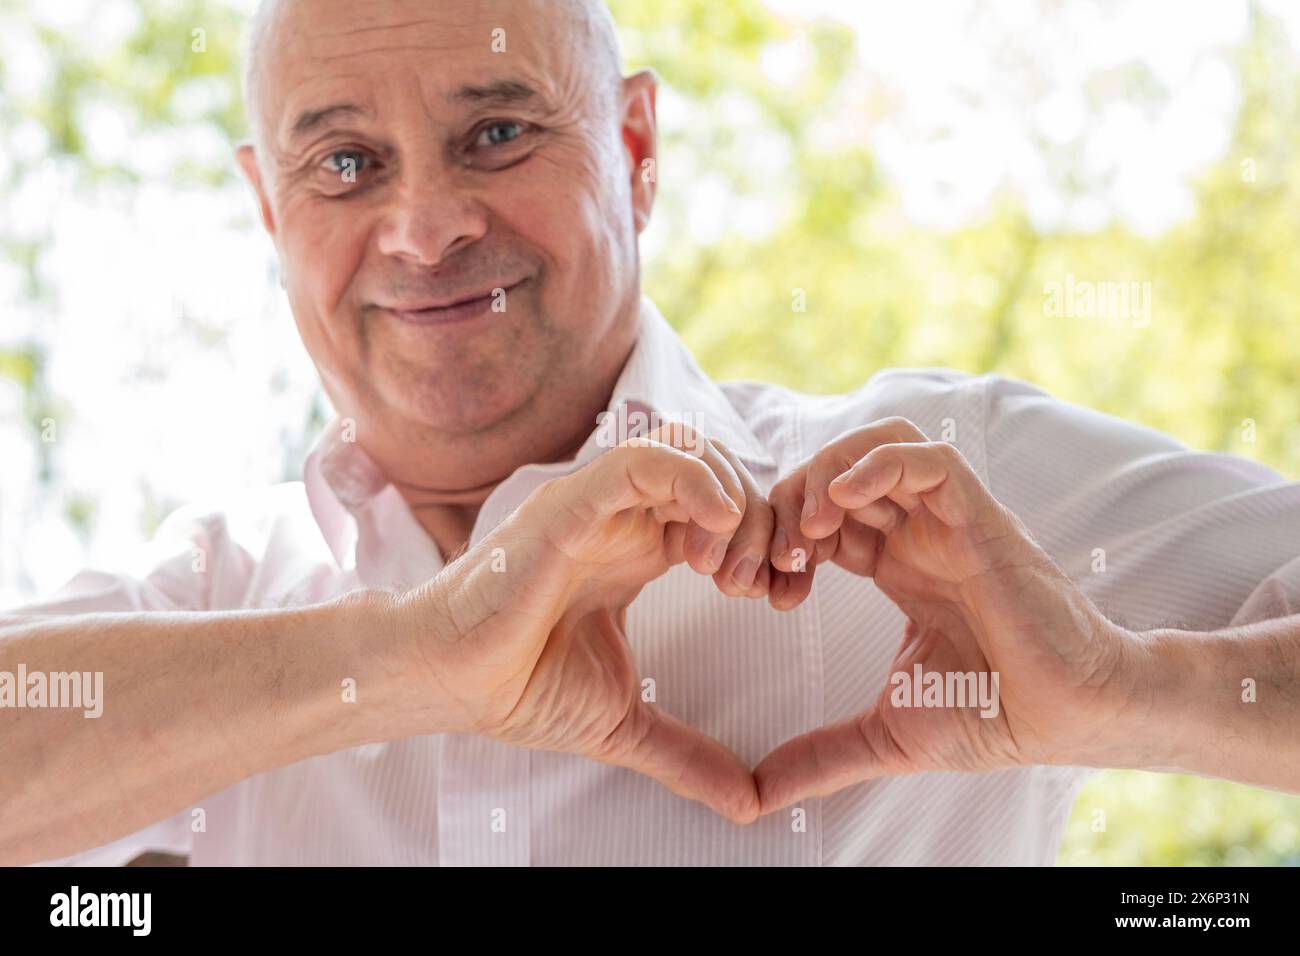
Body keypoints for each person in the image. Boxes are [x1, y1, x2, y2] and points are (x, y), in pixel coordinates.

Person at [2, 0, 1297, 867]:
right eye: (344, 166)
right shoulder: (214, 609)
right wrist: (413, 659)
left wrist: (1131, 689)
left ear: (633, 148)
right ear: (270, 217)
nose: (427, 226)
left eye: (496, 132)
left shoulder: (957, 505)